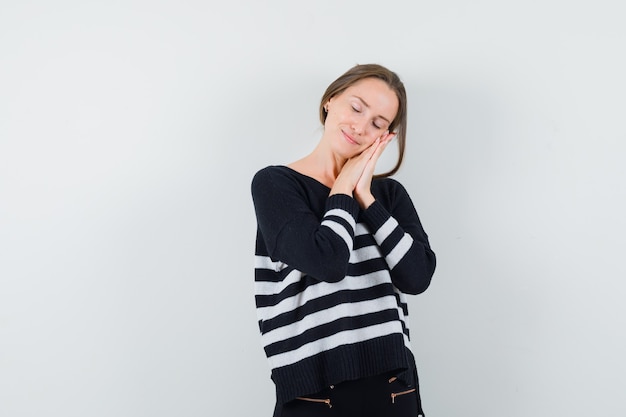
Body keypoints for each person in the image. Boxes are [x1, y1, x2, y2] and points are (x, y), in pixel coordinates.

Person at [251, 63, 436, 417]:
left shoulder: (389, 195)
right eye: (356, 107)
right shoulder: (276, 185)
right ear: (330, 101)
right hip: (314, 396)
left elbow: (418, 277)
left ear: (386, 136)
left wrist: (366, 196)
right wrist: (342, 189)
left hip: (394, 392)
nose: (361, 126)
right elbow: (328, 261)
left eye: (378, 124)